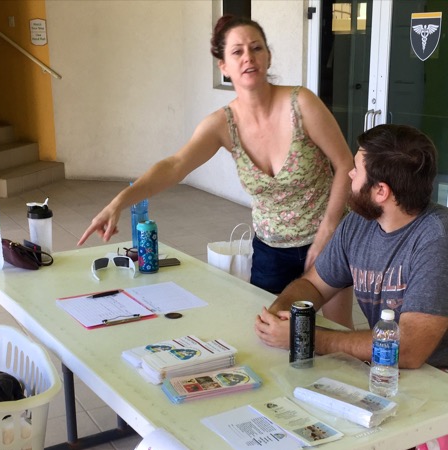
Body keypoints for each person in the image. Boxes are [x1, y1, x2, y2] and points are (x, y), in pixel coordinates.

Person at [77, 15, 354, 328]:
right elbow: (174, 165)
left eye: (256, 48)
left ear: (268, 56)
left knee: (336, 338)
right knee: (272, 336)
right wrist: (120, 201)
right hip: (270, 250)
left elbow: (345, 164)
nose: (248, 57)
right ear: (223, 66)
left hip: (329, 242)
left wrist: (327, 234)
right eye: (237, 52)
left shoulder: (300, 104)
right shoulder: (223, 124)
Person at [255, 124, 448, 450]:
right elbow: (312, 285)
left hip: (435, 373)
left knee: (370, 439)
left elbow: (409, 349)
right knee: (303, 402)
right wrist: (281, 312)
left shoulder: (435, 238)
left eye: (357, 169)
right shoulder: (360, 223)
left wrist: (306, 336)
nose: (348, 173)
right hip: (391, 366)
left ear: (381, 191)